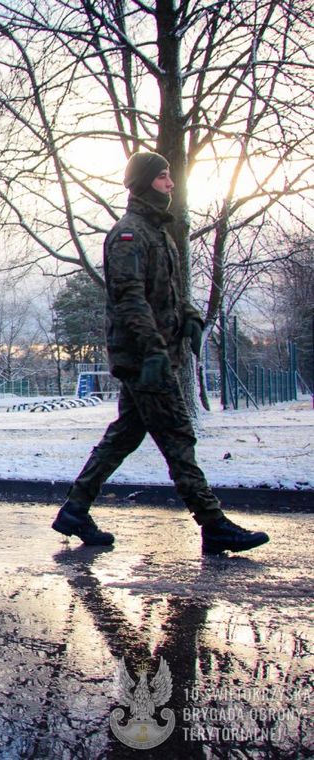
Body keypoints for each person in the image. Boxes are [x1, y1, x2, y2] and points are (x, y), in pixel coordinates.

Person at [51, 152, 269, 555]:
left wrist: (189, 317)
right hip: (145, 360)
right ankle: (213, 523)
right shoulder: (129, 234)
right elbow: (129, 299)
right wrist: (153, 353)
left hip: (157, 355)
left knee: (123, 437)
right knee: (177, 436)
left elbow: (169, 292)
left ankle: (75, 510)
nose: (171, 184)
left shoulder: (161, 234)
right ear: (148, 181)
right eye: (164, 177)